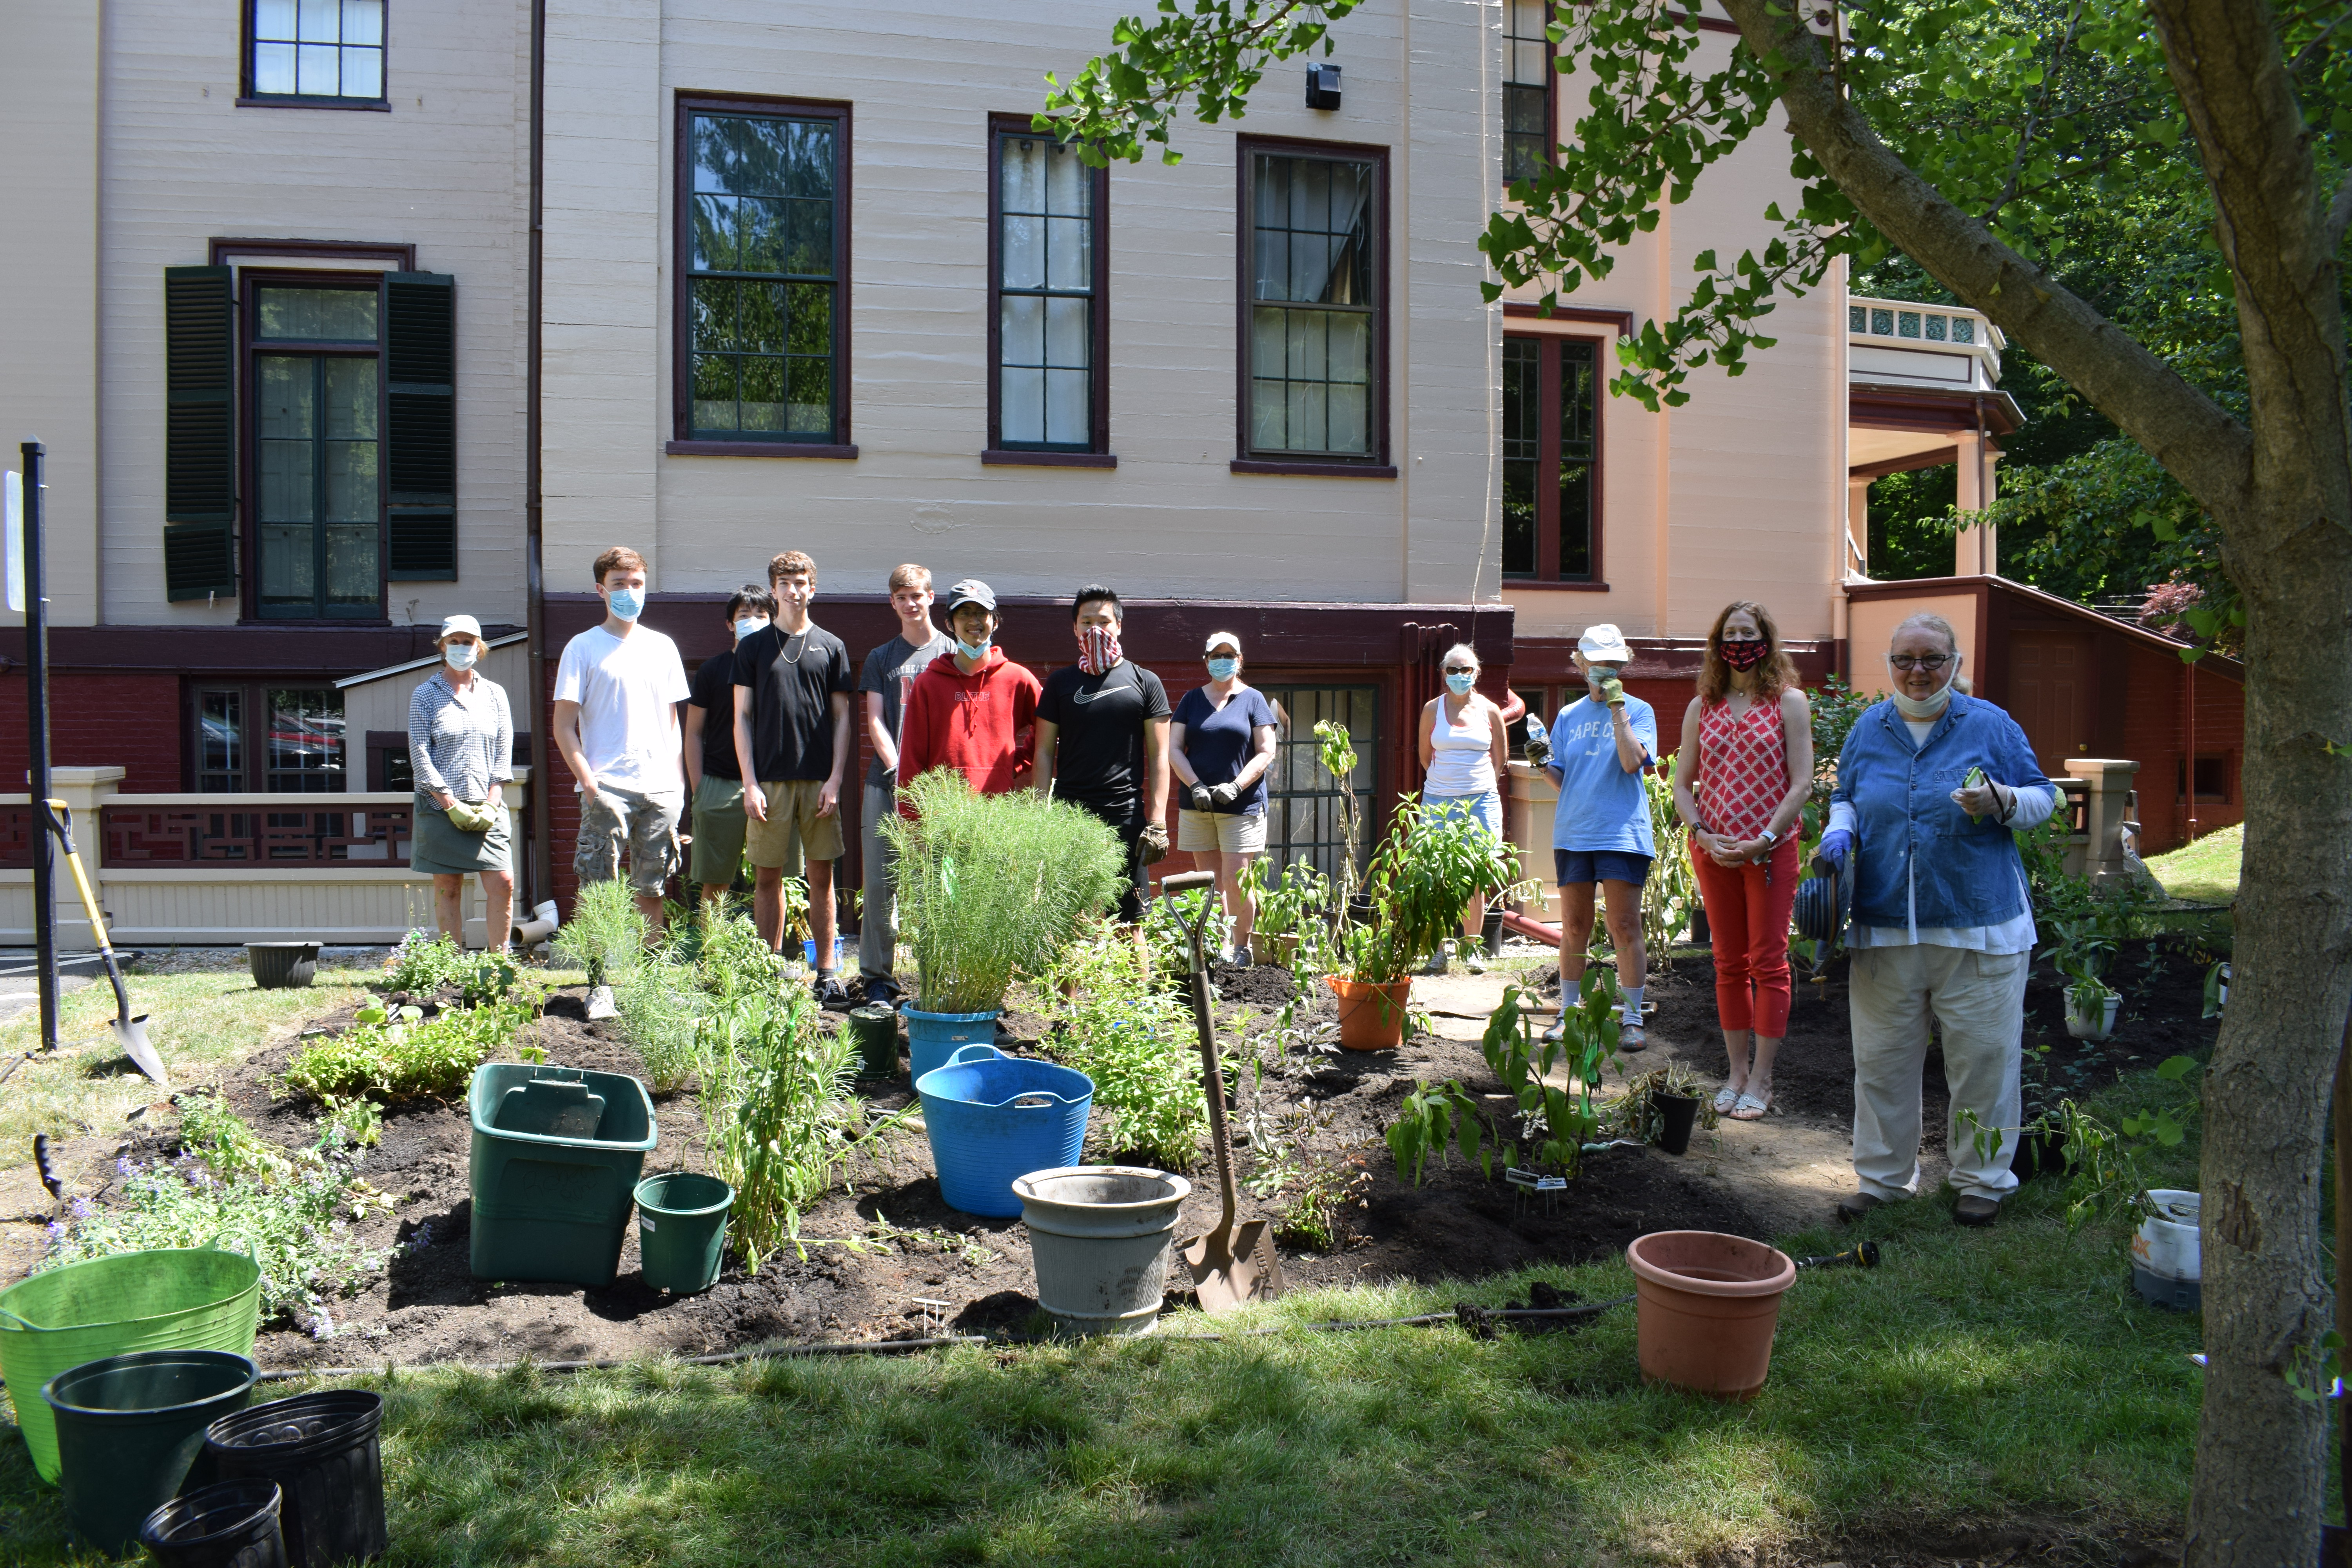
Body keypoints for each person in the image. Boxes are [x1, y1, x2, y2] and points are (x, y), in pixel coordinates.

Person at [1818, 612, 2059, 1228]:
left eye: (1932, 659)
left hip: (1978, 925)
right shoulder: (1869, 728)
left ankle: (1981, 1178)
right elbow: (1846, 795)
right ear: (1890, 664)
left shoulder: (1989, 724)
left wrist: (2000, 802)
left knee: (1983, 1061)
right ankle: (1882, 1180)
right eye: (1905, 660)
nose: (1918, 671)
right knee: (1881, 1061)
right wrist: (1839, 834)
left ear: (1955, 662)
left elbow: (2042, 797)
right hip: (1883, 920)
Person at [1671, 601, 1815, 1121]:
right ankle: (1735, 1073)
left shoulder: (1789, 702)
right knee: (1728, 963)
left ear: (1765, 641)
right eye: (1730, 633)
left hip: (1770, 853)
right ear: (1717, 644)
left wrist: (1765, 838)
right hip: (1714, 852)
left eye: (1748, 633)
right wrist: (1703, 835)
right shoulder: (1701, 706)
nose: (1739, 642)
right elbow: (1681, 786)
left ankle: (1763, 1078)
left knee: (1769, 963)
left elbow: (1802, 782)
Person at [733, 550, 856, 1006]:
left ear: (813, 588)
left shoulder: (832, 646)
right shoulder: (752, 648)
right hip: (769, 782)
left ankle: (827, 972)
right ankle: (768, 970)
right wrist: (749, 782)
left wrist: (836, 779)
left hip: (819, 781)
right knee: (768, 877)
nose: (793, 591)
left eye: (801, 582)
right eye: (785, 584)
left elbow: (843, 719)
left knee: (822, 876)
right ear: (774, 591)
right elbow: (741, 717)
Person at [553, 546, 691, 936]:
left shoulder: (663, 646)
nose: (630, 591)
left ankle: (650, 983)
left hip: (660, 789)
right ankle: (598, 983)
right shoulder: (582, 647)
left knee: (653, 888)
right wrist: (590, 783)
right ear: (601, 590)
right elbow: (563, 726)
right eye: (619, 584)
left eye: (637, 583)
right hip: (607, 788)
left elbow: (672, 722)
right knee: (599, 889)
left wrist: (678, 786)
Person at [1035, 585, 1173, 936]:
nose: (1095, 629)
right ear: (1075, 628)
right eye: (1086, 622)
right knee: (1070, 920)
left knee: (1132, 922)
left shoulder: (1146, 682)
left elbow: (1160, 755)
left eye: (1104, 621)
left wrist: (1157, 822)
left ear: (1119, 626)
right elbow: (1044, 751)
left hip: (1125, 816)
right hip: (1071, 816)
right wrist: (1038, 814)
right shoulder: (1060, 683)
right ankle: (1070, 995)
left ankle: (1134, 994)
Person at [1541, 623, 1655, 1046]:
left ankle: (1633, 1018)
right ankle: (1567, 1013)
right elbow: (1562, 779)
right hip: (1575, 831)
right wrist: (1541, 764)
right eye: (1596, 663)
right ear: (1581, 664)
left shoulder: (1639, 710)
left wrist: (1617, 707)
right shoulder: (1568, 716)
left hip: (1622, 831)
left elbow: (1631, 763)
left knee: (1624, 925)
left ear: (1623, 665)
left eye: (1613, 663)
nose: (1604, 670)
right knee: (1574, 924)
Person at [855, 564, 952, 1006]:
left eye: (918, 594)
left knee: (938, 887)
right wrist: (898, 770)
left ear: (931, 596)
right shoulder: (882, 657)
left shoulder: (953, 652)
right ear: (892, 603)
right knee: (880, 884)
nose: (911, 603)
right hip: (886, 785)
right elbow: (875, 718)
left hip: (942, 792)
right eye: (902, 597)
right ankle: (878, 979)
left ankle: (939, 978)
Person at [407, 615, 515, 951]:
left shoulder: (495, 695)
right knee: (448, 887)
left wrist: (492, 803)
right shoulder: (425, 694)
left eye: (467, 642)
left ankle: (499, 965)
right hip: (441, 807)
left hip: (487, 805)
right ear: (442, 647)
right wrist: (450, 804)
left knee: (503, 882)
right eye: (453, 642)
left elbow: (503, 751)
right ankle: (451, 964)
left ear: (479, 647)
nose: (460, 648)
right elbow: (420, 753)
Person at [1170, 631, 1278, 965]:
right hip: (1199, 805)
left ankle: (1242, 950)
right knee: (1211, 883)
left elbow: (1266, 752)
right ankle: (1217, 950)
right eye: (1216, 655)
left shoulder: (1254, 700)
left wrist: (1236, 786)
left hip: (1242, 806)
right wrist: (1196, 785)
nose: (1222, 661)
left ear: (1240, 660)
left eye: (1229, 655)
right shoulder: (1191, 700)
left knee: (1237, 879)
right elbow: (1174, 749)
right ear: (1206, 661)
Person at [897, 578, 1042, 800]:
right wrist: (913, 826)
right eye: (964, 613)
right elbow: (911, 758)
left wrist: (1014, 765)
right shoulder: (928, 684)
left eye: (982, 613)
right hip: (944, 814)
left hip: (998, 812)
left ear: (995, 622)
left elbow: (1049, 729)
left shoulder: (1017, 678)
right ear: (949, 624)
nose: (974, 621)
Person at [1417, 642, 1511, 973]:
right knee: (1438, 874)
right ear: (1444, 674)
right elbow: (1425, 757)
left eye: (1466, 670)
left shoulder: (1490, 710)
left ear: (1477, 673)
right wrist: (1447, 785)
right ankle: (1440, 950)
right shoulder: (1432, 709)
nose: (1459, 676)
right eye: (1453, 670)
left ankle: (1472, 949)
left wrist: (1476, 784)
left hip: (1481, 801)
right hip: (1439, 802)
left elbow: (1500, 759)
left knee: (1475, 877)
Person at [682, 584, 773, 906]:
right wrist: (700, 789)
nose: (753, 621)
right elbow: (693, 732)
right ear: (730, 624)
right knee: (715, 884)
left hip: (772, 786)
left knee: (771, 879)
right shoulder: (712, 670)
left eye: (762, 616)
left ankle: (770, 954)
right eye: (745, 616)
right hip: (719, 785)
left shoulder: (780, 668)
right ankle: (715, 954)